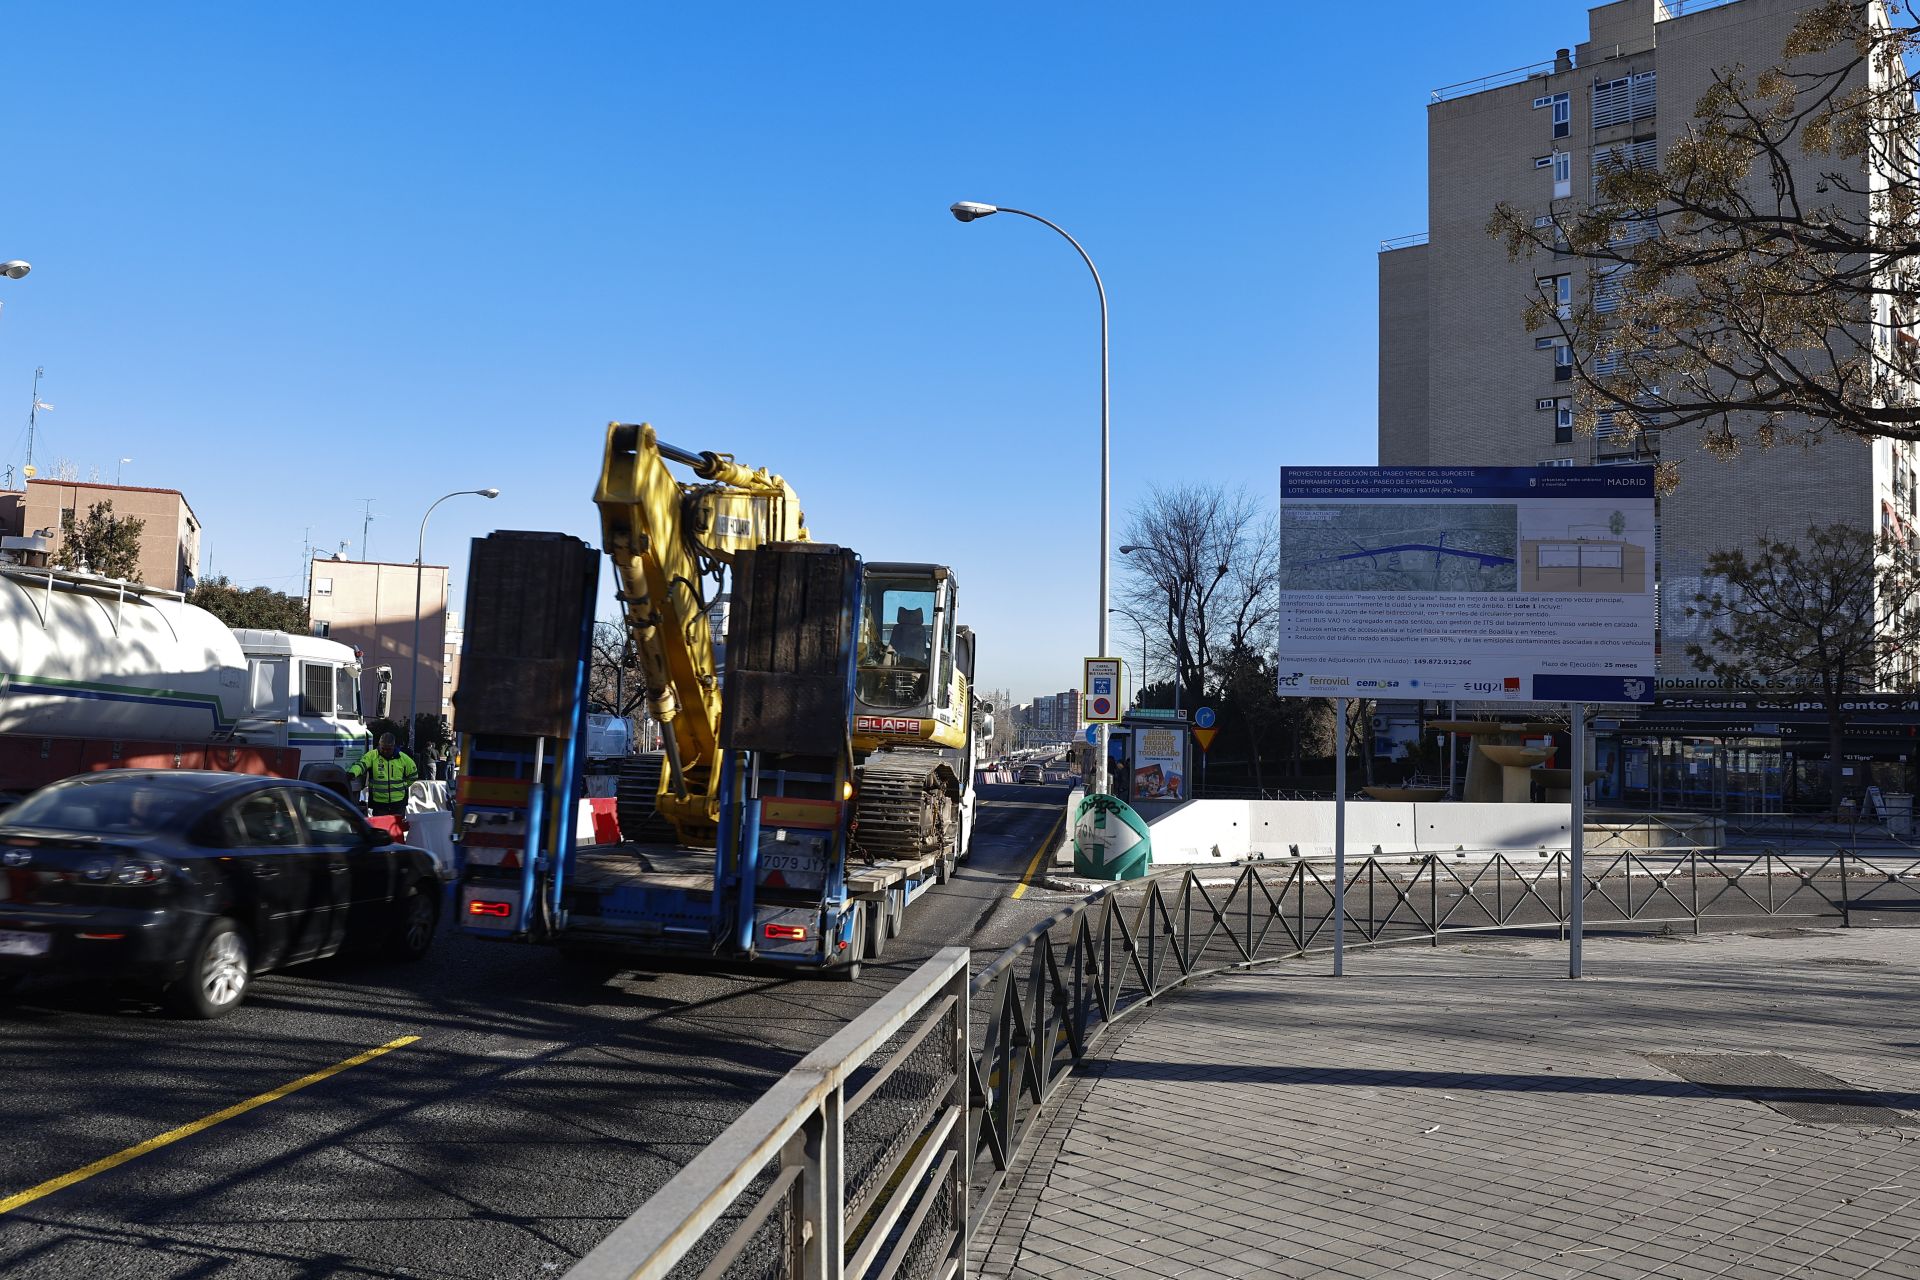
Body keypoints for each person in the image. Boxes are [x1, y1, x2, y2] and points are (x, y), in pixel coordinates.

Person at [349, 732, 419, 817]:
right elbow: (361, 765)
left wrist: (404, 785)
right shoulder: (372, 755)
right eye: (383, 748)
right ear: (379, 745)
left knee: (396, 829)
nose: (385, 751)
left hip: (398, 803)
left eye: (388, 749)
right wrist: (353, 773)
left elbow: (414, 775)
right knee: (380, 829)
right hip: (379, 803)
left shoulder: (403, 758)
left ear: (394, 746)